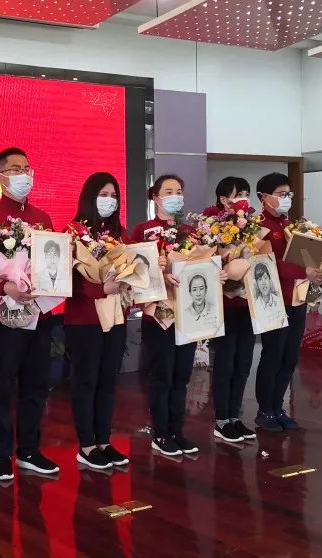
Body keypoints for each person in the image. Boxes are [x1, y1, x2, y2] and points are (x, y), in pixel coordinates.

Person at [0, 148, 60, 482]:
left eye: (26, 168)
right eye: (14, 169)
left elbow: (53, 262)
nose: (23, 174)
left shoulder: (43, 218)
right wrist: (3, 286)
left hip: (39, 314)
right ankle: (1, 453)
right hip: (4, 317)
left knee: (36, 385)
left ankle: (29, 450)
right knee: (1, 385)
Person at [131, 174, 205, 456]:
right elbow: (135, 272)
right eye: (169, 191)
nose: (176, 196)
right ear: (156, 197)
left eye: (179, 191)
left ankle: (177, 431)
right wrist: (160, 274)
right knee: (162, 375)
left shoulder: (191, 233)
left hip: (186, 313)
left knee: (182, 375)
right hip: (158, 315)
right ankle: (160, 433)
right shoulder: (143, 231)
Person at [63, 172, 130, 470]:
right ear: (90, 197)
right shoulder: (73, 232)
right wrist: (101, 288)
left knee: (108, 381)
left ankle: (104, 441)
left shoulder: (120, 234)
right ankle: (87, 445)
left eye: (113, 196)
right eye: (103, 195)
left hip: (115, 317)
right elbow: (66, 280)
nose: (109, 200)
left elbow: (132, 271)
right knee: (86, 381)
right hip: (84, 318)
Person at [253, 173, 322, 434]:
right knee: (272, 354)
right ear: (263, 197)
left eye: (289, 194)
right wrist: (303, 271)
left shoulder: (293, 225)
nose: (286, 199)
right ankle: (264, 410)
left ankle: (279, 407)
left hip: (297, 298)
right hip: (273, 300)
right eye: (281, 194)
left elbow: (306, 255)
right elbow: (267, 263)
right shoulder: (257, 227)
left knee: (290, 356)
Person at [205, 176, 258, 443]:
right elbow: (202, 260)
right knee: (225, 364)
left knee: (243, 363)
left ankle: (235, 416)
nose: (244, 199)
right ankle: (221, 419)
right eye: (239, 194)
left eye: (247, 194)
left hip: (246, 304)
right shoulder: (209, 224)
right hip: (223, 305)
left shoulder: (251, 224)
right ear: (224, 199)